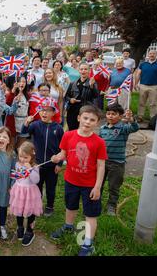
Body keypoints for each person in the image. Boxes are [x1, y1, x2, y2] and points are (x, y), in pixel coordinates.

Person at [51, 105, 107, 256]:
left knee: (90, 214)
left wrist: (97, 187)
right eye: (85, 118)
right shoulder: (68, 135)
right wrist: (57, 157)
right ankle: (68, 226)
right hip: (71, 181)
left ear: (97, 122)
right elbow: (63, 154)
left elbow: (101, 166)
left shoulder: (99, 142)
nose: (88, 122)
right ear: (79, 118)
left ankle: (87, 244)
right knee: (70, 206)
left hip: (90, 185)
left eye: (92, 120)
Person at [22, 97, 64, 217]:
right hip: (37, 165)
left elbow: (63, 148)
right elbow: (24, 134)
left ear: (53, 112)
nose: (44, 113)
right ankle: (38, 203)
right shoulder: (35, 125)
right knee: (37, 186)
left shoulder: (58, 128)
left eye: (48, 110)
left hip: (52, 165)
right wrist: (26, 123)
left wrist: (59, 163)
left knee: (51, 187)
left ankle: (50, 206)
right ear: (38, 111)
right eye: (42, 110)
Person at [99, 104, 139, 215]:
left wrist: (131, 119)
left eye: (114, 114)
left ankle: (111, 205)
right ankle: (96, 202)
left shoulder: (123, 128)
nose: (110, 116)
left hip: (117, 163)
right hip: (102, 162)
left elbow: (134, 128)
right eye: (108, 114)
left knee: (114, 186)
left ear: (120, 116)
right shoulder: (102, 129)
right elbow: (98, 144)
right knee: (99, 184)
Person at [9, 141, 43, 246]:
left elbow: (36, 180)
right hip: (19, 191)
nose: (22, 160)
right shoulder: (17, 164)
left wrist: (30, 170)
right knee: (19, 210)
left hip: (30, 193)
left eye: (25, 157)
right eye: (21, 156)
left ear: (31, 157)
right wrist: (12, 185)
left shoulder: (35, 167)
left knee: (31, 211)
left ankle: (29, 230)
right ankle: (20, 227)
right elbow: (17, 177)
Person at [65, 63, 99, 130]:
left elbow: (96, 95)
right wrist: (70, 99)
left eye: (85, 69)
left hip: (86, 109)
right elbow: (66, 96)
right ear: (79, 71)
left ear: (89, 71)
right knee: (72, 129)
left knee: (83, 129)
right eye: (81, 69)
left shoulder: (92, 82)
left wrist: (91, 86)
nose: (83, 71)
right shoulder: (73, 83)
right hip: (73, 110)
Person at [134, 50, 157, 122]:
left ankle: (153, 118)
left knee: (153, 103)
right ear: (148, 55)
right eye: (150, 53)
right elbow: (138, 74)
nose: (152, 55)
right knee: (141, 102)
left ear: (156, 55)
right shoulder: (143, 64)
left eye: (153, 54)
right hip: (143, 85)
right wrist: (136, 84)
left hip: (154, 86)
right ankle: (140, 116)